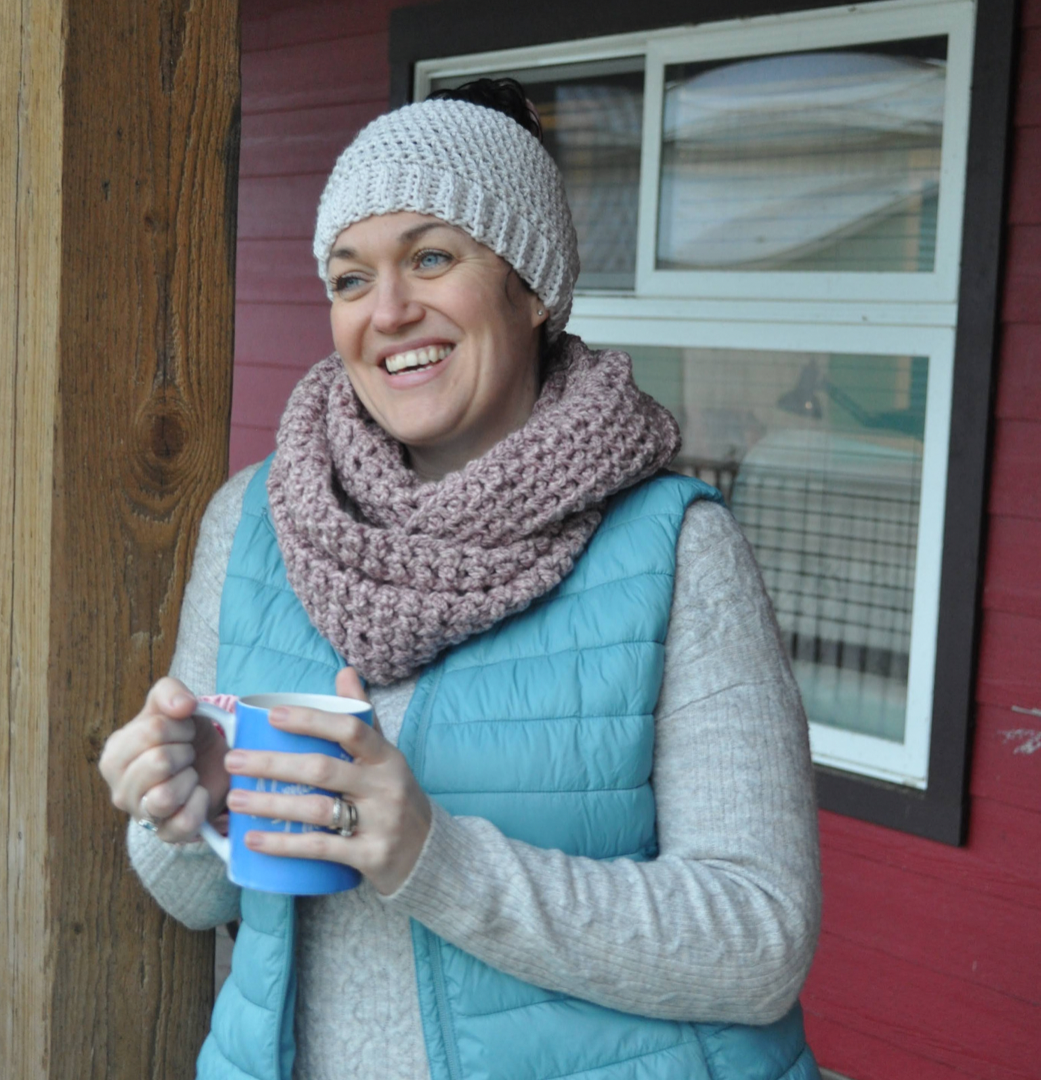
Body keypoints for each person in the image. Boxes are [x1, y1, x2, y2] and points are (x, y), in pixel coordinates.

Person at [99, 78, 822, 1080]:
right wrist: (190, 808)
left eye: (432, 258)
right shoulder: (254, 524)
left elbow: (760, 945)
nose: (389, 311)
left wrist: (433, 859)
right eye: (350, 278)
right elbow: (195, 901)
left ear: (532, 287)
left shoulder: (673, 549)